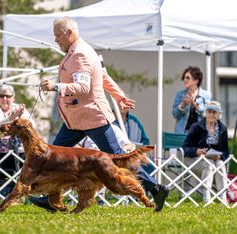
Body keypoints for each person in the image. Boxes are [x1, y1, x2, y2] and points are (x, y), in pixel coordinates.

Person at [34, 16, 168, 212]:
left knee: (120, 159)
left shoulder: (80, 54)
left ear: (69, 33)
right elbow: (103, 76)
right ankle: (52, 199)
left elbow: (82, 86)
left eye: (58, 36)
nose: (56, 40)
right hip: (76, 120)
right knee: (54, 156)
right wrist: (119, 95)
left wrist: (56, 86)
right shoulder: (83, 50)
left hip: (92, 117)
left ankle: (155, 188)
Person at [182, 101, 229, 204]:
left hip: (213, 160)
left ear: (219, 114)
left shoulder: (223, 129)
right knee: (209, 165)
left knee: (220, 164)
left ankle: (223, 196)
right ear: (205, 113)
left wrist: (220, 156)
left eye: (214, 112)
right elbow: (185, 147)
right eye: (209, 111)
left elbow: (226, 151)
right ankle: (206, 197)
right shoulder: (196, 127)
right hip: (193, 159)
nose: (211, 114)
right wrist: (197, 151)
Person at [172, 66, 212, 133]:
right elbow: (175, 115)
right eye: (184, 78)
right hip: (182, 133)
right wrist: (183, 105)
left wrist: (196, 106)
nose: (185, 80)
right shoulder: (180, 94)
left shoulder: (206, 95)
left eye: (188, 78)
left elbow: (208, 115)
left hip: (200, 135)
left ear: (196, 80)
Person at [119, 109, 155, 174]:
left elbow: (145, 141)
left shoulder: (134, 121)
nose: (122, 106)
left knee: (149, 167)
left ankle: (152, 184)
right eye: (119, 102)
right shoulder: (109, 122)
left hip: (135, 156)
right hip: (117, 156)